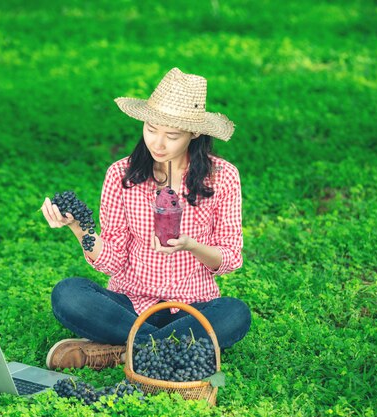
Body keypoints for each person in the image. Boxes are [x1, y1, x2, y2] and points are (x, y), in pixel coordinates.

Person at [41, 68, 251, 370]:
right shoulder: (121, 175)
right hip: (129, 304)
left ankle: (119, 351)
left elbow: (230, 257)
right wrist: (78, 228)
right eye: (151, 129)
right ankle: (159, 349)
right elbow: (113, 261)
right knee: (68, 294)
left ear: (194, 133)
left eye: (172, 135)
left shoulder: (223, 177)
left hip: (192, 306)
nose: (158, 143)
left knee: (235, 313)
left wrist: (191, 246)